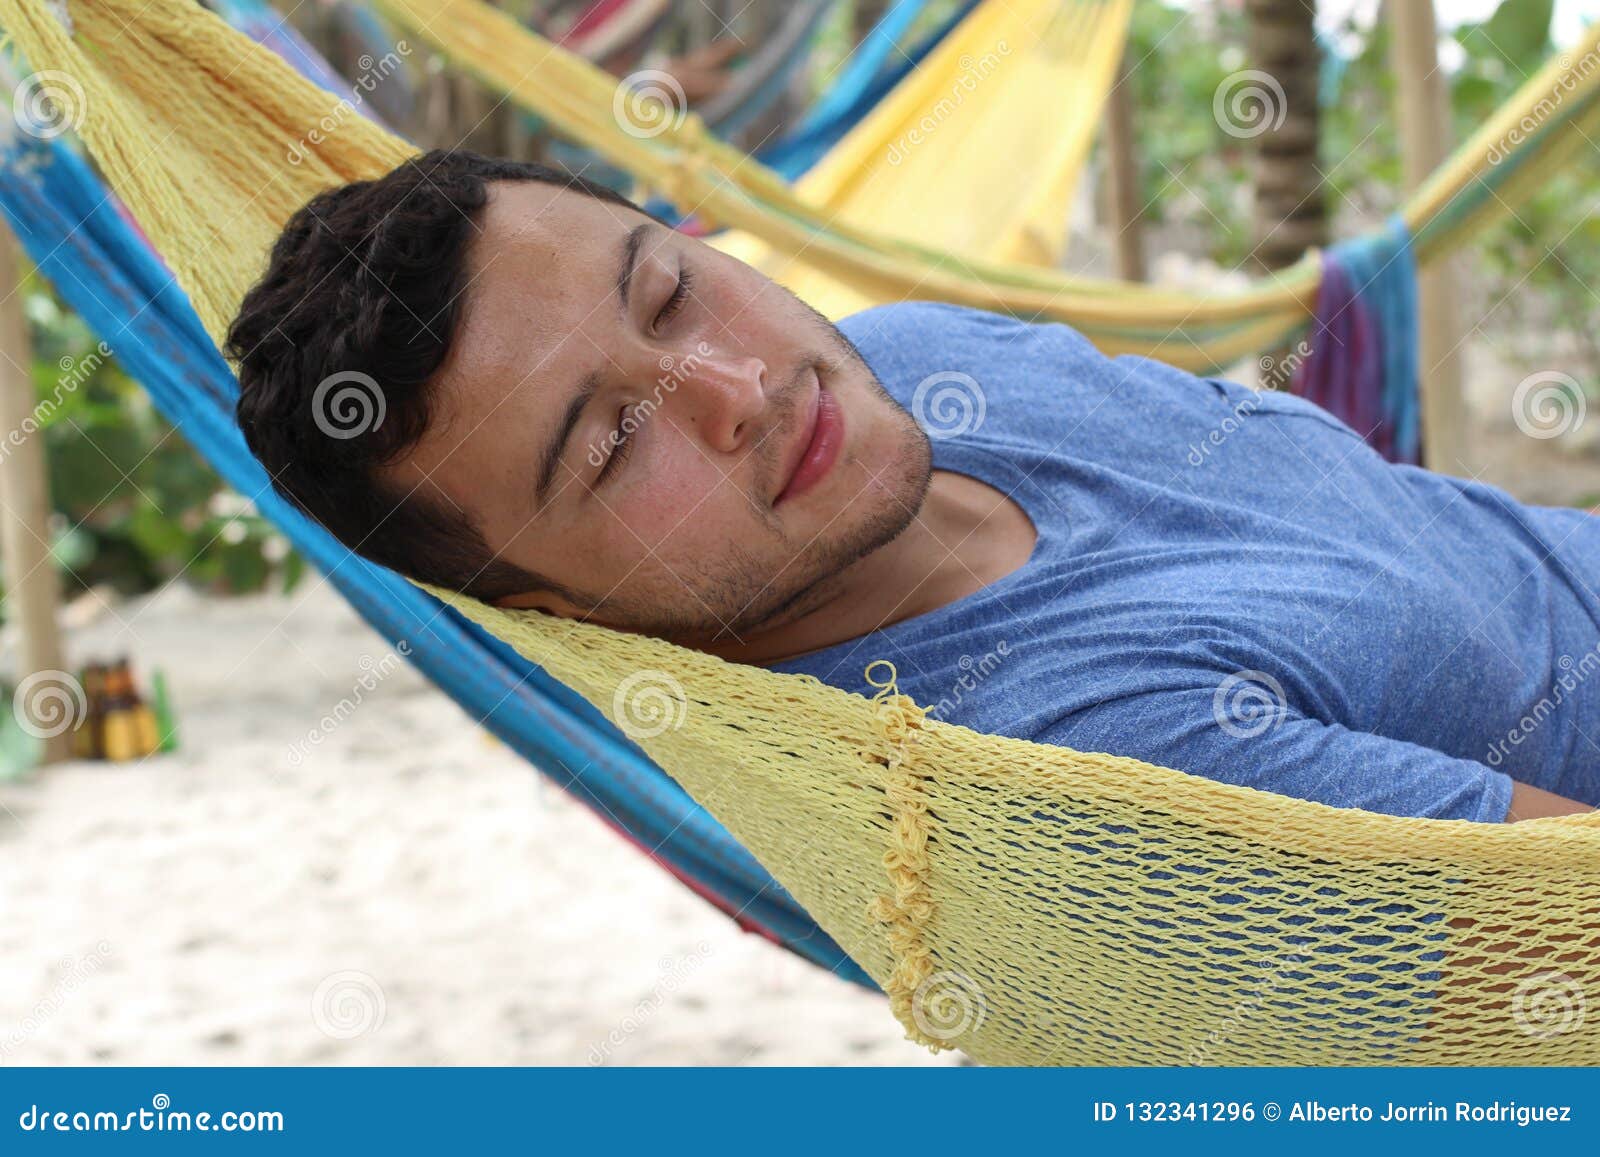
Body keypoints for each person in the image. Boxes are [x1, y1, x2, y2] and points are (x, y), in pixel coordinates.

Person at [227, 149, 1598, 824]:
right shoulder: (1078, 769)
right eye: (611, 446)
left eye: (668, 289)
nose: (738, 388)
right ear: (549, 610)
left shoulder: (913, 358)